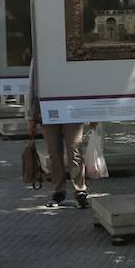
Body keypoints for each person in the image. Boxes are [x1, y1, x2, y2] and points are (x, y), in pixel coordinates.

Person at [25, 57, 90, 208]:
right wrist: (30, 116)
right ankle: (58, 191)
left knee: (74, 151)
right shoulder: (40, 52)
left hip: (72, 108)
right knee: (54, 153)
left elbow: (84, 79)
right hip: (47, 110)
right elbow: (31, 85)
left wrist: (89, 110)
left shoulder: (71, 46)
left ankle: (80, 191)